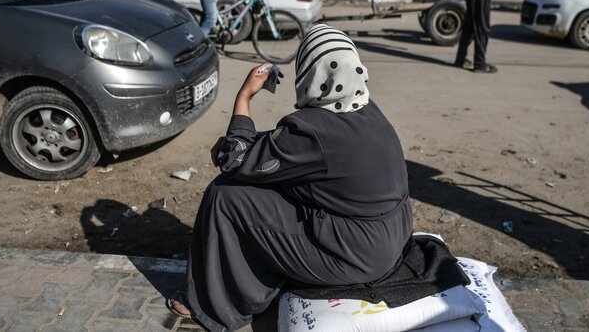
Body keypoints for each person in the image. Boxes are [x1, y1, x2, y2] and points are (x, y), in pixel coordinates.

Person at [165, 24, 413, 332]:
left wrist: (245, 96)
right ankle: (262, 278)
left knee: (225, 195)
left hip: (357, 255)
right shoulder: (365, 109)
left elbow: (235, 163)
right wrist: (239, 145)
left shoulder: (314, 129)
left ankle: (215, 307)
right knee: (271, 190)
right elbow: (283, 150)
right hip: (390, 238)